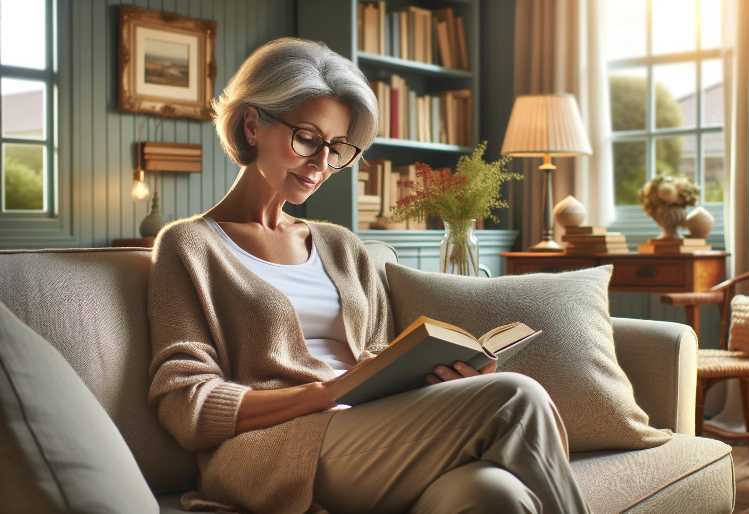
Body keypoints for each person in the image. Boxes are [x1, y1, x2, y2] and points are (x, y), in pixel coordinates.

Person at [147, 37, 590, 514]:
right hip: (274, 451)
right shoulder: (190, 246)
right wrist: (325, 392)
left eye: (337, 148)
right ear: (253, 125)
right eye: (307, 139)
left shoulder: (342, 247)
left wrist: (439, 381)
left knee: (494, 494)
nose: (322, 164)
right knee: (516, 398)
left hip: (371, 434)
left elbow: (378, 358)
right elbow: (185, 403)